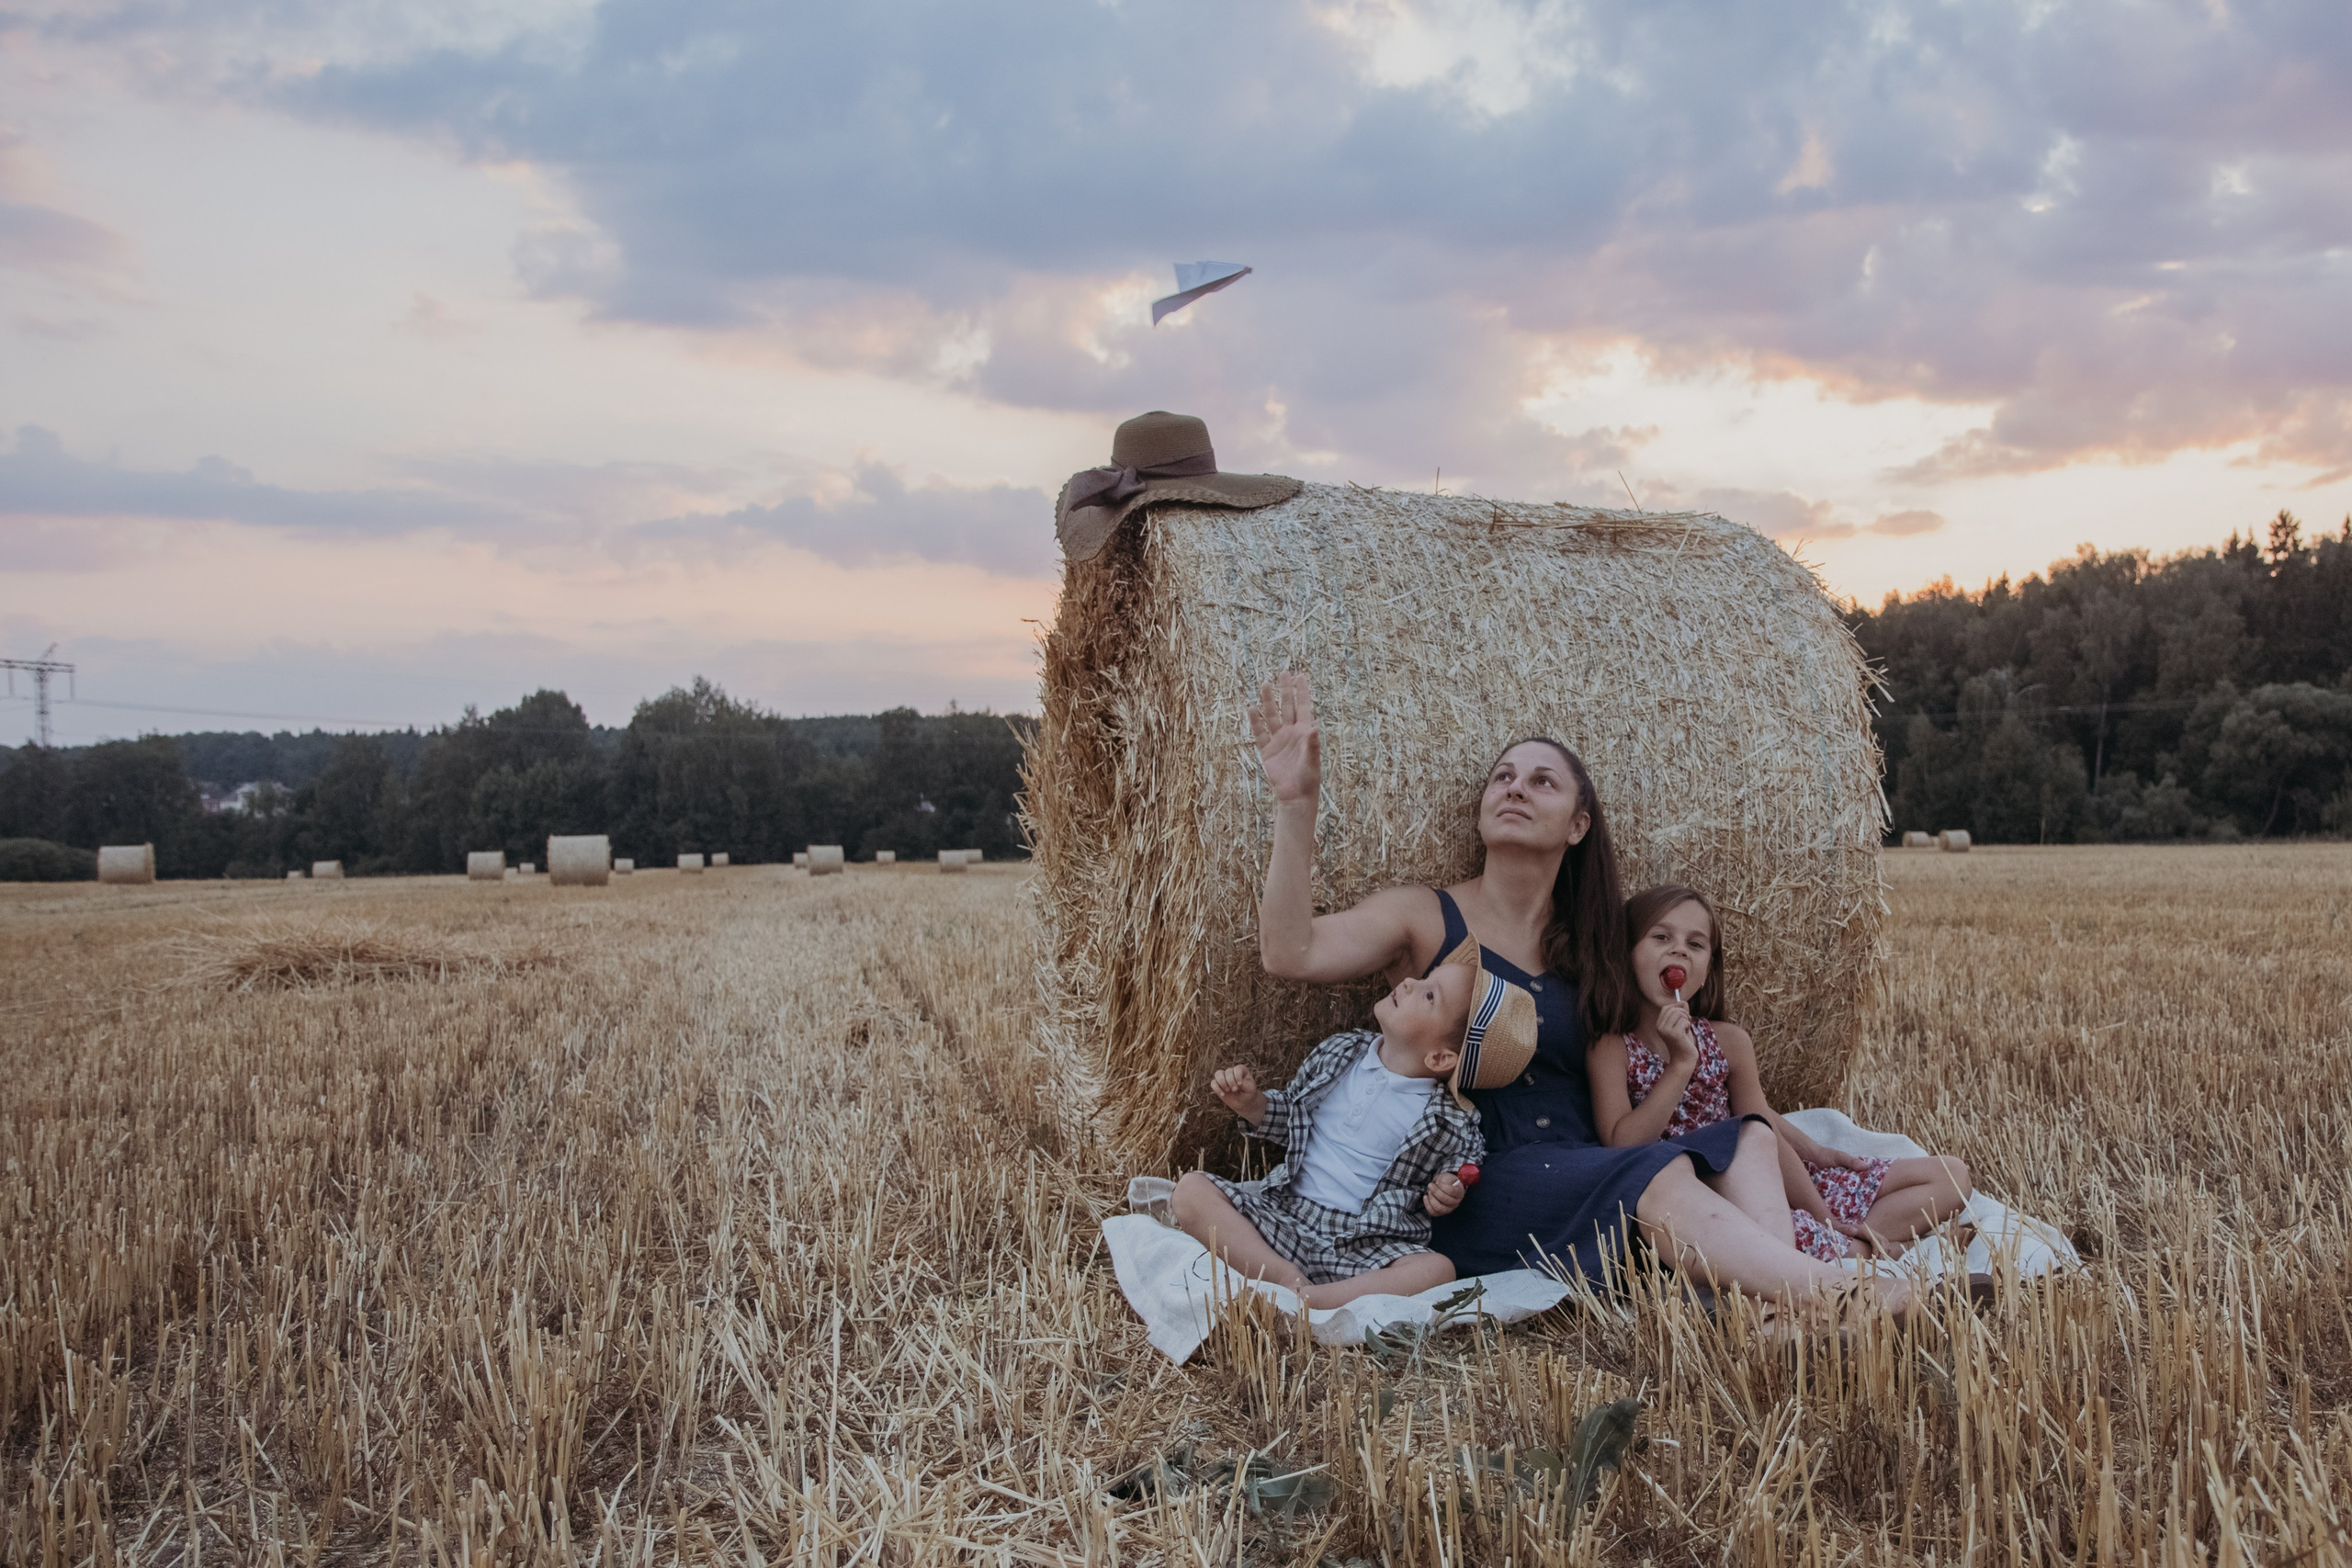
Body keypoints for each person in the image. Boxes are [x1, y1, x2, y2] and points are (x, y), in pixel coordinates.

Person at [1247, 670, 1917, 1321]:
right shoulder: (1423, 917)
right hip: (1483, 1180)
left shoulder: (1594, 943)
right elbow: (1290, 951)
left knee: (1743, 1139)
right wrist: (1295, 805)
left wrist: (1785, 1132)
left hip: (1596, 1162)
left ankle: (1780, 1315)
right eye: (1503, 777)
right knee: (1654, 1173)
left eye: (1543, 781)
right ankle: (1835, 1292)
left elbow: (1697, 1046)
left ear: (1577, 825)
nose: (1515, 789)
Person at [1590, 885, 1974, 1261]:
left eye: (1695, 944)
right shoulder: (1611, 1047)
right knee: (1784, 1238)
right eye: (1661, 937)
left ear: (1707, 970)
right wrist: (1680, 1066)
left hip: (1780, 1178)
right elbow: (1622, 1147)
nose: (1678, 950)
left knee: (1952, 1175)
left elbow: (1762, 1121)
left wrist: (1818, 1154)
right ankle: (1883, 1250)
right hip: (1718, 1197)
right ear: (1625, 955)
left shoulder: (1730, 1041)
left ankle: (1857, 1241)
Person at [1171, 951, 1528, 1308]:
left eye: (1429, 995)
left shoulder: (1449, 1118)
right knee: (1190, 1191)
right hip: (1286, 1215)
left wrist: (1449, 1189)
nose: (1408, 983)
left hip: (1364, 1245)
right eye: (1425, 977)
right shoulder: (1340, 1053)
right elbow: (1294, 1119)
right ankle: (1283, 1278)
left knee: (1438, 1269)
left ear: (1440, 1059)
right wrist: (1253, 1105)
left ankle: (1321, 1299)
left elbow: (1465, 1166)